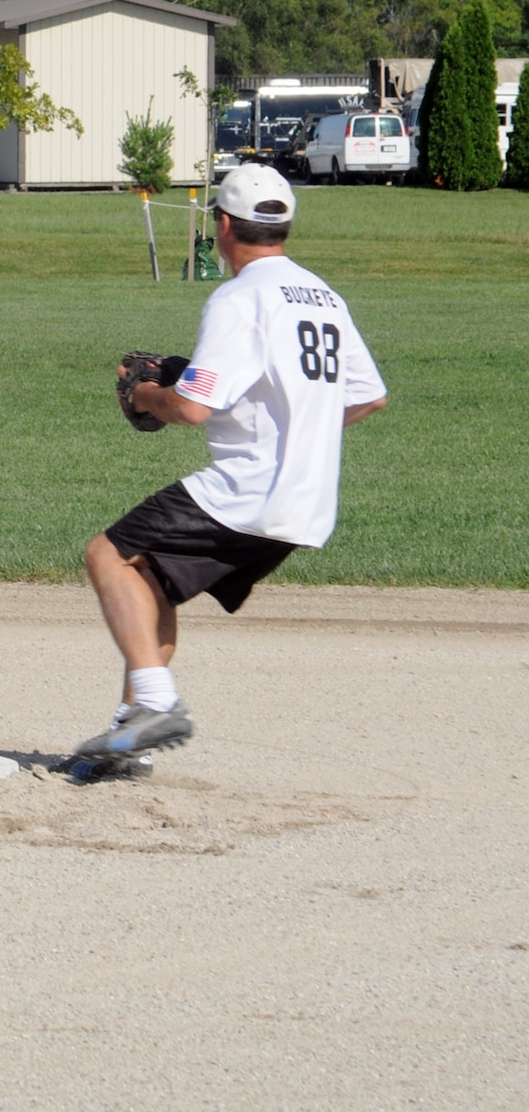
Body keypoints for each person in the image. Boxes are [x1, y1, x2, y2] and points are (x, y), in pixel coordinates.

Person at [75, 165, 388, 760]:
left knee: (108, 555)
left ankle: (158, 706)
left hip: (249, 490)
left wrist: (143, 396)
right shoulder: (323, 295)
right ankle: (128, 733)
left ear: (221, 225)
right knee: (149, 582)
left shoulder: (239, 296)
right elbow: (366, 396)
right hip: (309, 501)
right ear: (285, 226)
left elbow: (192, 409)